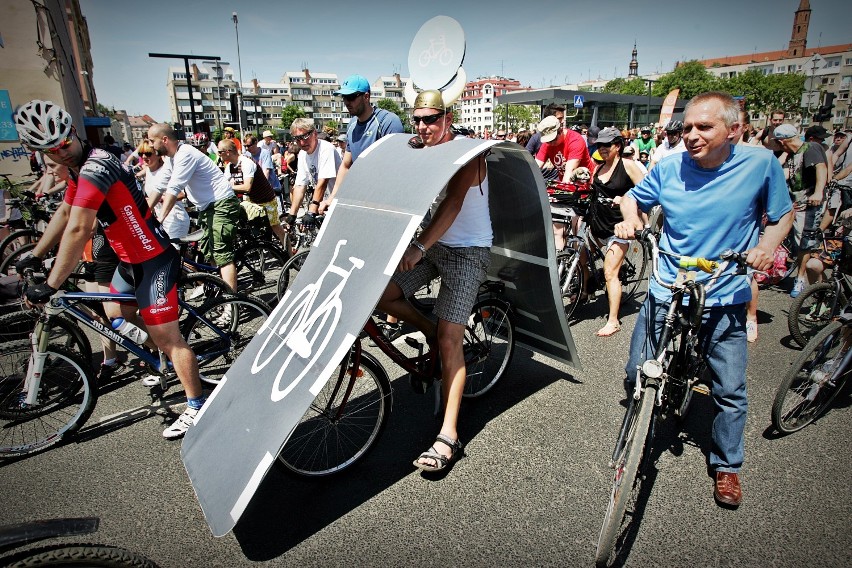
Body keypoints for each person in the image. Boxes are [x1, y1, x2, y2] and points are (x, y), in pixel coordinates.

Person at [615, 91, 793, 507]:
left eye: (704, 127)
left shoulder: (760, 164)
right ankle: (641, 427)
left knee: (729, 389)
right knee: (635, 371)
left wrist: (766, 246)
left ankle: (727, 465)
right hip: (668, 283)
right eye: (687, 127)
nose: (691, 135)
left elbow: (781, 214)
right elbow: (632, 199)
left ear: (734, 129)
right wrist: (629, 221)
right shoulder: (669, 166)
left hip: (725, 288)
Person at [14, 99, 207, 439]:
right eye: (50, 151)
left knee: (167, 337)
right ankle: (162, 357)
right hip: (128, 261)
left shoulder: (95, 166)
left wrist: (51, 282)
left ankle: (195, 405)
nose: (60, 154)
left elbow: (79, 229)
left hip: (153, 258)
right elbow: (64, 213)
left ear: (74, 133)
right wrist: (36, 253)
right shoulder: (77, 171)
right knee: (116, 314)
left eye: (63, 145)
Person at [376, 89, 491, 472]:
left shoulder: (469, 151)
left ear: (448, 116)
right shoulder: (421, 147)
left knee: (449, 339)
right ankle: (429, 327)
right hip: (432, 244)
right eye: (418, 119)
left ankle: (449, 437)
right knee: (382, 293)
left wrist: (418, 248)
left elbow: (453, 203)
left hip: (467, 250)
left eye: (431, 118)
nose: (424, 126)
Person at [146, 123, 240, 294]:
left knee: (222, 255)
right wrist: (143, 216)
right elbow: (159, 187)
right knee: (210, 253)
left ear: (164, 139)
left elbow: (173, 189)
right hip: (207, 206)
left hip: (221, 203)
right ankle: (223, 293)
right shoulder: (172, 158)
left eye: (152, 141)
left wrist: (159, 221)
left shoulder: (185, 154)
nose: (150, 145)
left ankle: (231, 304)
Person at [584, 127, 646, 337]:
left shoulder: (628, 166)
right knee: (581, 255)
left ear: (617, 146)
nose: (601, 149)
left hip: (619, 229)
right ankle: (584, 291)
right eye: (599, 145)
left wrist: (627, 197)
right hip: (597, 226)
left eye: (606, 145)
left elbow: (646, 193)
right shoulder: (598, 168)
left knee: (610, 272)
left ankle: (613, 321)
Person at [322, 74, 404, 212]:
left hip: (386, 202)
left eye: (351, 97)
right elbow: (346, 165)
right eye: (344, 98)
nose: (347, 102)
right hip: (362, 199)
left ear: (366, 97)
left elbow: (396, 169)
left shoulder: (388, 121)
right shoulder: (352, 124)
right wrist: (333, 197)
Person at [773, 123, 828, 298]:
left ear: (782, 141)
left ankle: (801, 278)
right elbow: (786, 174)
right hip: (796, 204)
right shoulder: (793, 154)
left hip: (810, 204)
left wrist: (819, 192)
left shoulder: (810, 148)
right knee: (795, 241)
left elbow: (821, 168)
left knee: (804, 242)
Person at [218, 138, 289, 249]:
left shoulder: (246, 163)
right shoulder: (230, 166)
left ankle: (289, 255)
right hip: (252, 200)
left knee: (276, 227)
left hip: (266, 199)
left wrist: (228, 187)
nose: (218, 155)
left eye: (219, 152)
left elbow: (247, 187)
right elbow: (225, 184)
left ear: (227, 152)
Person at [285, 117, 341, 228]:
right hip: (322, 205)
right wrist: (292, 214)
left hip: (337, 201)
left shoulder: (326, 149)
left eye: (305, 137)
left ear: (314, 133)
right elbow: (300, 186)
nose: (302, 142)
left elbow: (323, 182)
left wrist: (312, 210)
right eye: (297, 139)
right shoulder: (302, 154)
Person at [137, 140, 189, 242]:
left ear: (157, 155)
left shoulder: (165, 171)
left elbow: (182, 194)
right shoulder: (148, 170)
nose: (143, 157)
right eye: (140, 154)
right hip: (160, 219)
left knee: (173, 253)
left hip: (174, 218)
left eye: (148, 154)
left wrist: (160, 199)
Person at [244, 133, 282, 198]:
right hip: (256, 189)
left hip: (271, 188)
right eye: (245, 146)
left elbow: (266, 172)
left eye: (249, 146)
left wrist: (261, 189)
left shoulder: (265, 153)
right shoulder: (246, 155)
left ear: (255, 143)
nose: (247, 148)